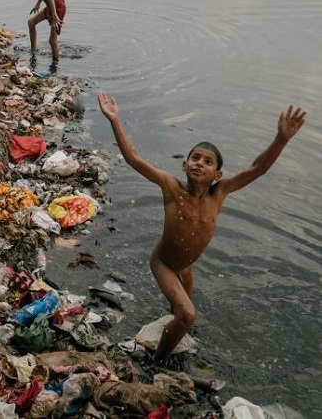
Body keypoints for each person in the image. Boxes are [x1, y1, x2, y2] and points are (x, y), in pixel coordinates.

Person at [97, 92, 306, 362]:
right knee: (188, 314)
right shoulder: (171, 188)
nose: (199, 163)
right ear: (184, 165)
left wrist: (282, 138)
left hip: (186, 266)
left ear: (217, 175)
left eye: (208, 162)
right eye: (195, 158)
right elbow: (135, 159)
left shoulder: (219, 194)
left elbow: (257, 168)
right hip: (164, 262)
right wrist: (115, 120)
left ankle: (167, 335)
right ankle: (157, 362)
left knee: (179, 314)